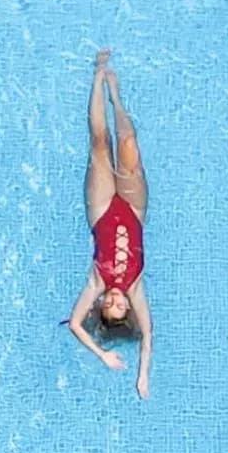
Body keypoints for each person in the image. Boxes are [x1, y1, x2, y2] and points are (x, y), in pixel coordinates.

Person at [67, 50, 152, 399]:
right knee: (129, 143)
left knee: (100, 146)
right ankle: (116, 97)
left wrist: (101, 354)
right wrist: (143, 376)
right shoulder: (135, 288)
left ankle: (99, 76)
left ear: (102, 305)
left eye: (110, 305)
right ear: (128, 307)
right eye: (122, 307)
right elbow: (148, 335)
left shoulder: (96, 281)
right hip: (133, 209)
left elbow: (74, 324)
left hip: (101, 210)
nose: (117, 300)